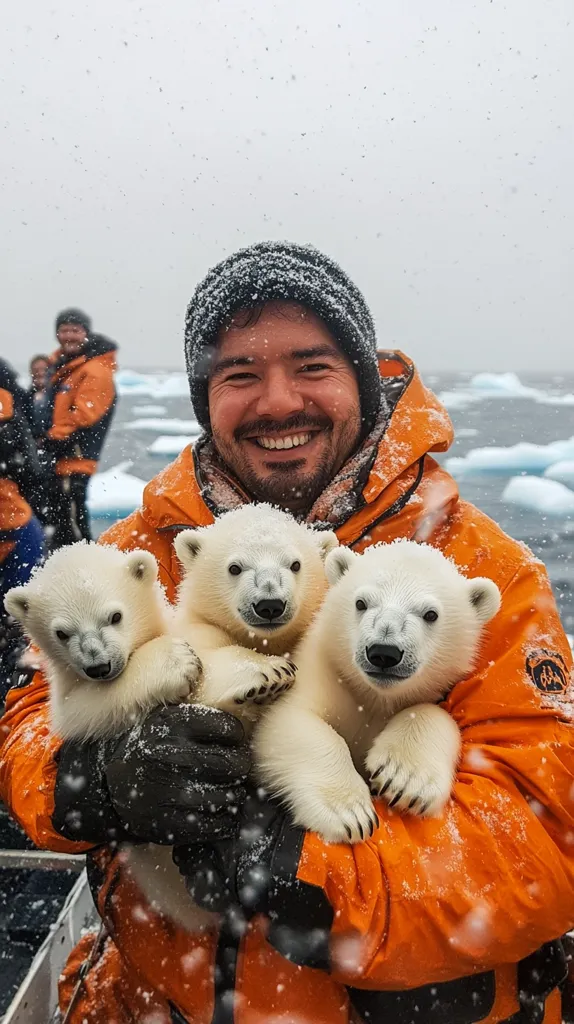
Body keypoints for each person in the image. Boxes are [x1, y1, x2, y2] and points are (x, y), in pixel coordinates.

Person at [1, 242, 573, 1024]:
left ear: (362, 382)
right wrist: (92, 781)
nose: (277, 402)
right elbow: (28, 716)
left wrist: (295, 868)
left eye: (312, 366)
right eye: (240, 375)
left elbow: (540, 839)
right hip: (155, 1001)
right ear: (208, 399)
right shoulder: (141, 552)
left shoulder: (474, 572)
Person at [44, 308, 117, 548]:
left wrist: (52, 439)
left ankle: (84, 563)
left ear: (86, 333)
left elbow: (85, 414)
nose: (69, 336)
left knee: (72, 520)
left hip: (75, 455)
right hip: (61, 456)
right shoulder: (66, 366)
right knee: (61, 517)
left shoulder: (95, 370)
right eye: (64, 330)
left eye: (75, 330)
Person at [0, 369, 45, 698]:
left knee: (16, 620)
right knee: (16, 622)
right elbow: (30, 470)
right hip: (19, 526)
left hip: (15, 529)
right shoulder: (12, 413)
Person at [27, 354, 51, 439]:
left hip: (53, 441)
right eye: (36, 370)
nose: (40, 373)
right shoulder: (24, 397)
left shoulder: (60, 396)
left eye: (45, 370)